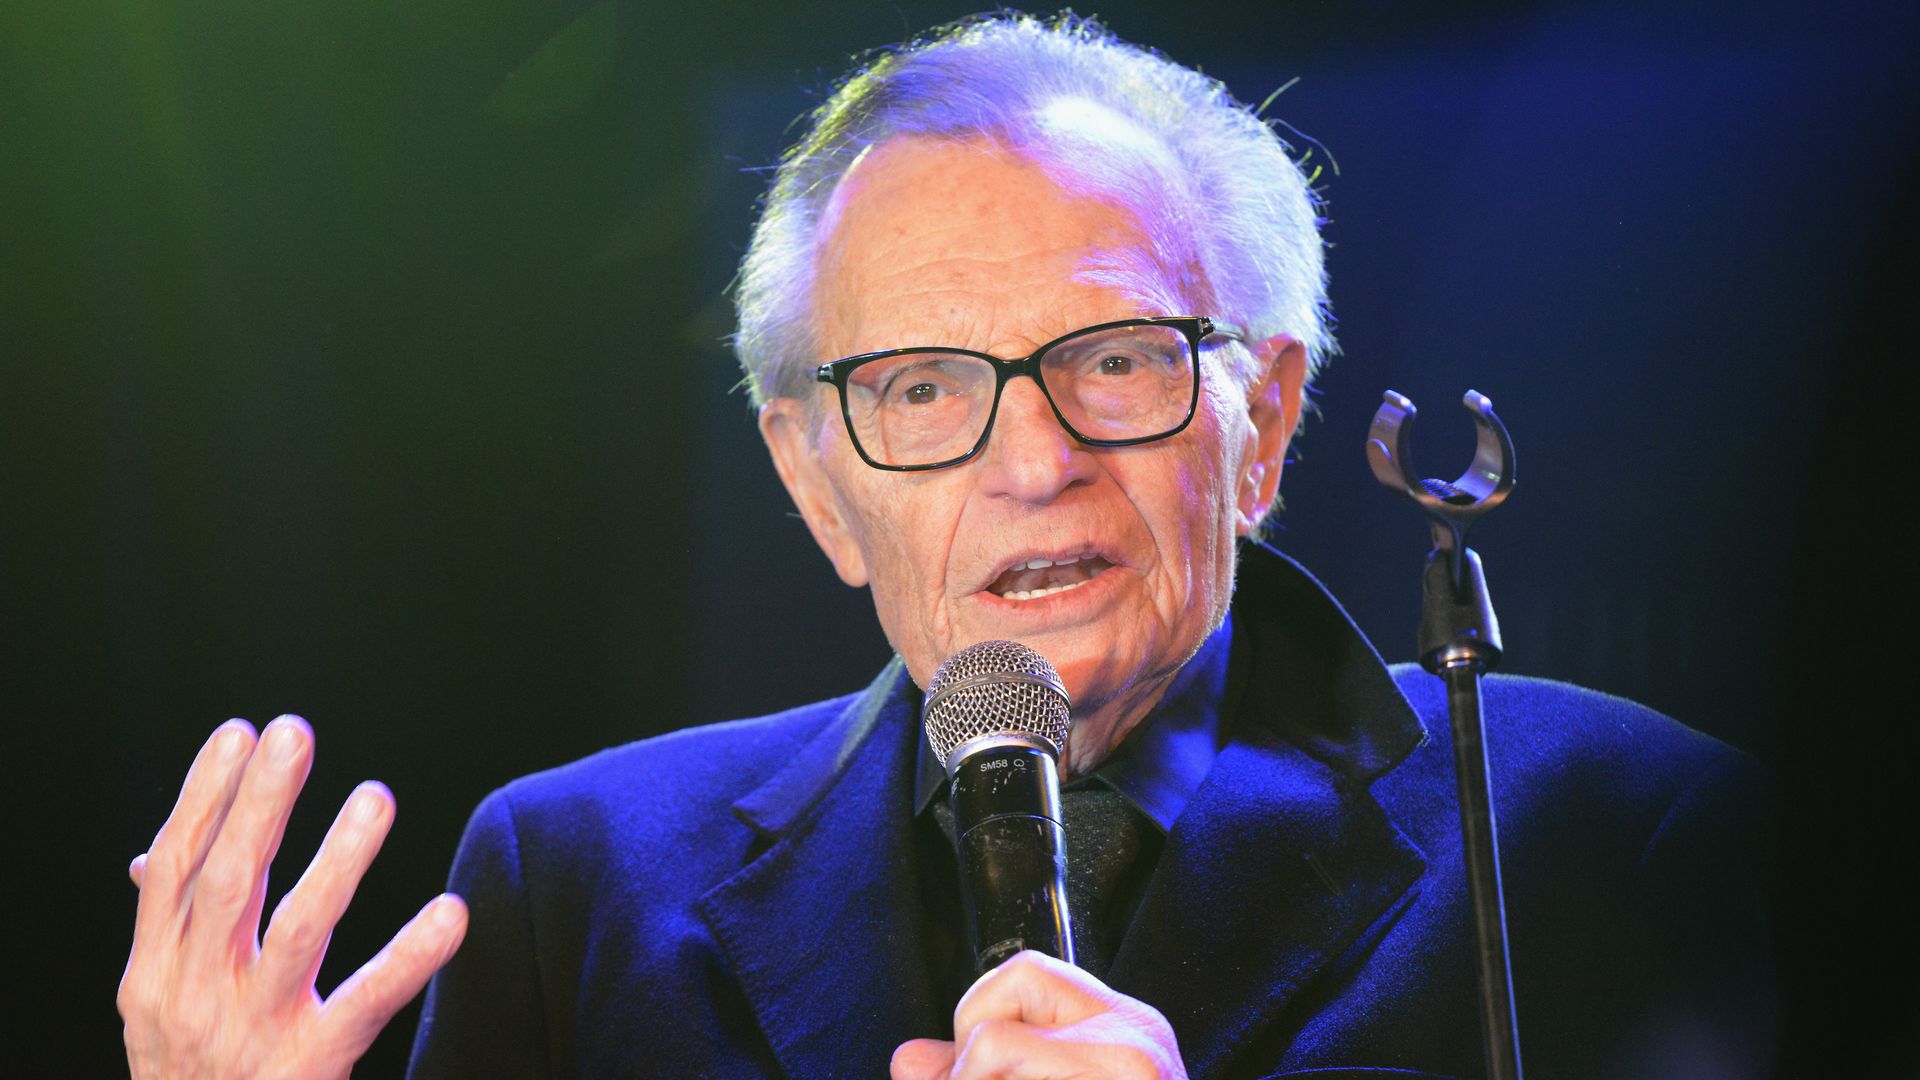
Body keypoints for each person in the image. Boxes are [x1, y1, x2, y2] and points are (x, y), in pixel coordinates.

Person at [118, 13, 1772, 1079]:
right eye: (917, 389)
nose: (1032, 460)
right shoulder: (579, 887)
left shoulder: (1608, 835)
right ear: (818, 483)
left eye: (1114, 361)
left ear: (1262, 423)